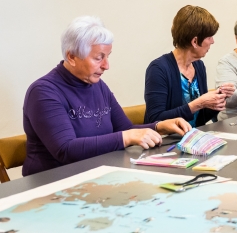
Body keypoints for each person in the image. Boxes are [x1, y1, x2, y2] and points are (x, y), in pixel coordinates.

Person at [23, 16, 190, 176]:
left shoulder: (98, 85)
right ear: (71, 57)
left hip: (94, 175)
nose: (106, 65)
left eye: (107, 57)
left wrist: (159, 127)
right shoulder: (43, 92)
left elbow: (125, 129)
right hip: (53, 183)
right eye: (98, 58)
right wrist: (126, 137)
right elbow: (66, 150)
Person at [144, 6, 234, 127]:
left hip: (195, 135)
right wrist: (197, 104)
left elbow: (200, 118)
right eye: (209, 37)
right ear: (195, 41)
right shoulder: (158, 69)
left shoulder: (199, 66)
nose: (212, 41)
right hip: (168, 138)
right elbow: (155, 119)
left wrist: (220, 97)